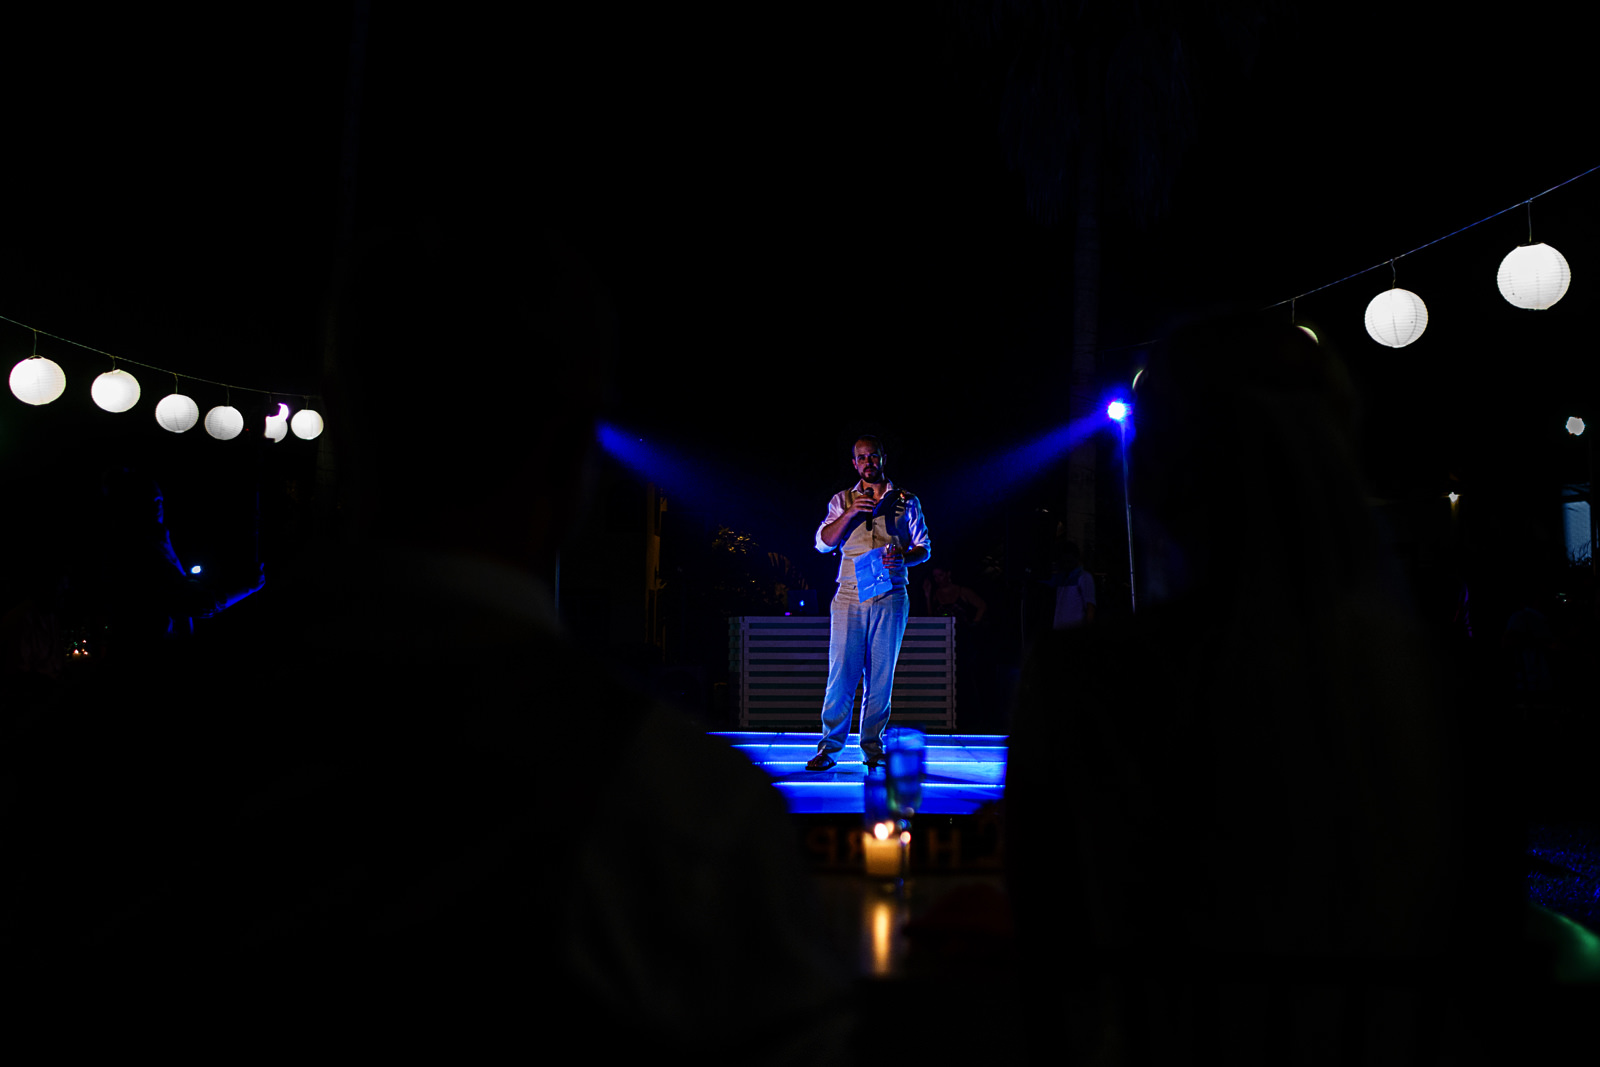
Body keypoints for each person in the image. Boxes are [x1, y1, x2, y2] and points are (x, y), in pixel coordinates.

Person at [807, 436, 932, 771]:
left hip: (891, 593)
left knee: (881, 677)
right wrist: (850, 513)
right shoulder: (842, 500)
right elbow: (823, 543)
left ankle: (872, 748)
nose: (868, 463)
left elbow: (925, 547)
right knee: (842, 674)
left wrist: (906, 557)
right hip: (850, 592)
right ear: (854, 463)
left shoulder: (906, 500)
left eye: (873, 456)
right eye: (861, 458)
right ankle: (829, 747)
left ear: (882, 458)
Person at [1046, 538, 1095, 628]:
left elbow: (1090, 607)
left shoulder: (1084, 577)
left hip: (1075, 630)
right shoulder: (1062, 577)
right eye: (1064, 561)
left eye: (1069, 561)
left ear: (1076, 558)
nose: (1066, 564)